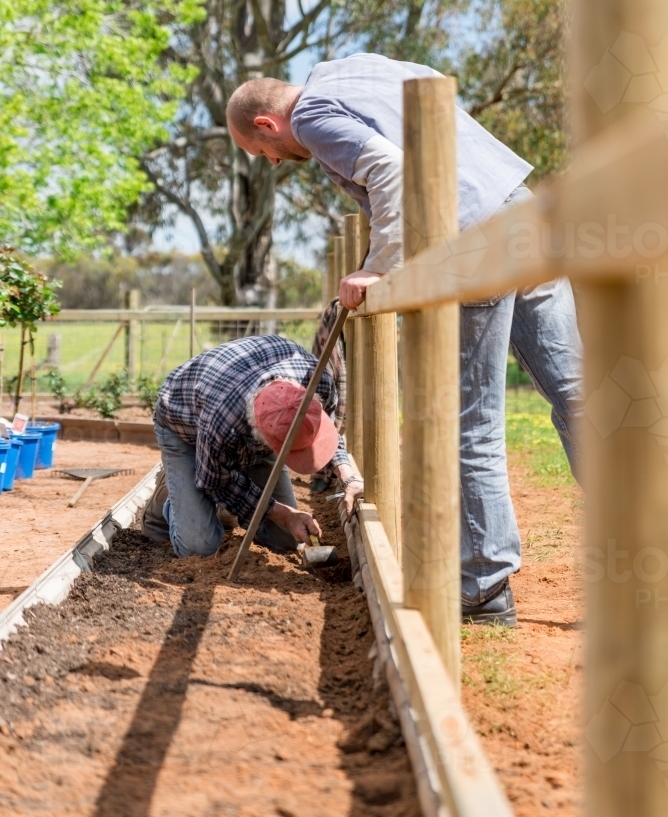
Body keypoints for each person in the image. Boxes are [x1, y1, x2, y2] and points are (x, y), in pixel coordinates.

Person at [226, 53, 583, 627]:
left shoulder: (313, 116)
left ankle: (485, 585)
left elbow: (390, 168)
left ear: (266, 125)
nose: (273, 161)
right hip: (519, 209)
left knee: (472, 419)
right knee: (578, 393)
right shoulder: (351, 68)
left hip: (471, 235)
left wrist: (381, 266)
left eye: (262, 154)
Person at [141, 334, 362, 558]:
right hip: (183, 425)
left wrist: (347, 476)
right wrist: (286, 515)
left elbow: (325, 433)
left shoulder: (317, 380)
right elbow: (216, 482)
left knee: (285, 541)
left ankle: (213, 502)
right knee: (199, 548)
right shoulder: (222, 421)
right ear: (263, 436)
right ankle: (172, 493)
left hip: (233, 427)